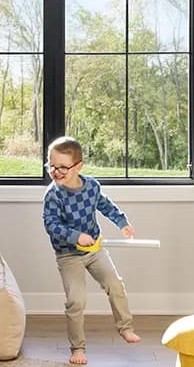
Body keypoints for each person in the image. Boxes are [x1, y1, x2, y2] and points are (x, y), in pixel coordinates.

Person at [41, 136, 141, 365]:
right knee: (76, 300)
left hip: (95, 250)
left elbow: (106, 206)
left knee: (115, 284)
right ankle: (77, 348)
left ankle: (125, 328)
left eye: (62, 167)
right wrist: (76, 236)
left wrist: (122, 223)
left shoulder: (92, 187)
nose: (56, 172)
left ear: (78, 167)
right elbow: (51, 225)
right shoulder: (53, 195)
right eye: (51, 166)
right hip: (69, 255)